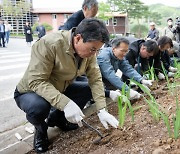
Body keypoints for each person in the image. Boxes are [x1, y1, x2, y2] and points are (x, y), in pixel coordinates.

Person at [14, 18, 119, 153]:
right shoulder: (49, 44)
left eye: (97, 50)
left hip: (60, 87)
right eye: (93, 49)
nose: (94, 54)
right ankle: (41, 130)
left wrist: (102, 109)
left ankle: (58, 119)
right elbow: (36, 81)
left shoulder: (89, 52)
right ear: (78, 38)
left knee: (88, 89)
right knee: (38, 108)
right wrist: (66, 104)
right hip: (31, 91)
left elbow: (95, 79)